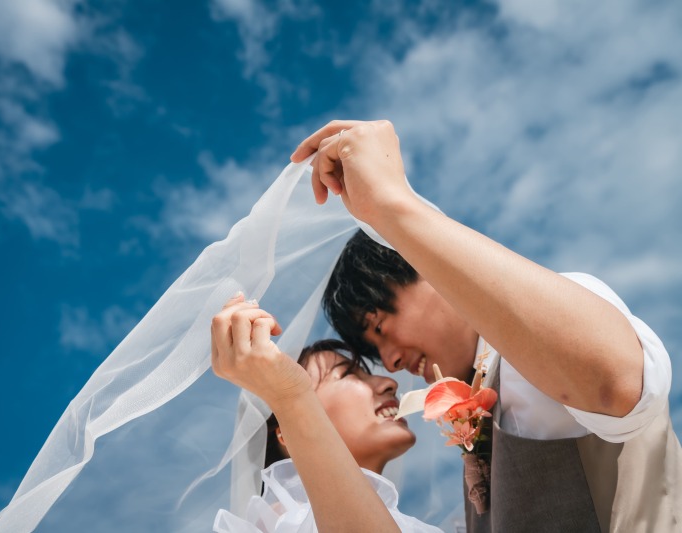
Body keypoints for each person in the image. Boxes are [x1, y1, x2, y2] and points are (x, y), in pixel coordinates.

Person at [291, 120, 681, 531]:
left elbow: (615, 384)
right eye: (374, 352)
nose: (390, 361)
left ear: (424, 267)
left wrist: (391, 205)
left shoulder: (562, 306)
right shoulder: (478, 416)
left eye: (380, 326)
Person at [211, 294, 442, 533]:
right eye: (348, 374)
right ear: (285, 434)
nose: (389, 383)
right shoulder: (286, 521)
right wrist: (289, 396)